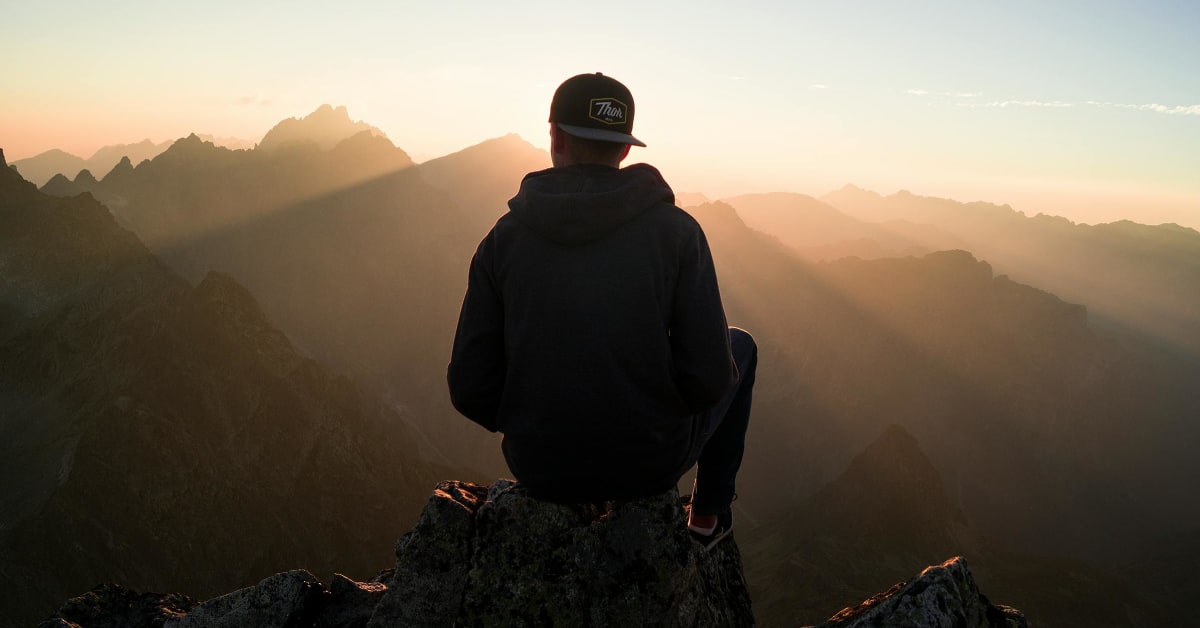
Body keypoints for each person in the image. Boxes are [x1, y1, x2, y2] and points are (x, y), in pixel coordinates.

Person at [448, 72, 756, 547]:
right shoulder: (677, 234)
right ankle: (706, 519)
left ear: (554, 137)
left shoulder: (502, 241)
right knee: (741, 346)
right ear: (626, 150)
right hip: (649, 465)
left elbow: (470, 388)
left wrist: (536, 420)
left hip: (540, 467)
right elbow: (711, 379)